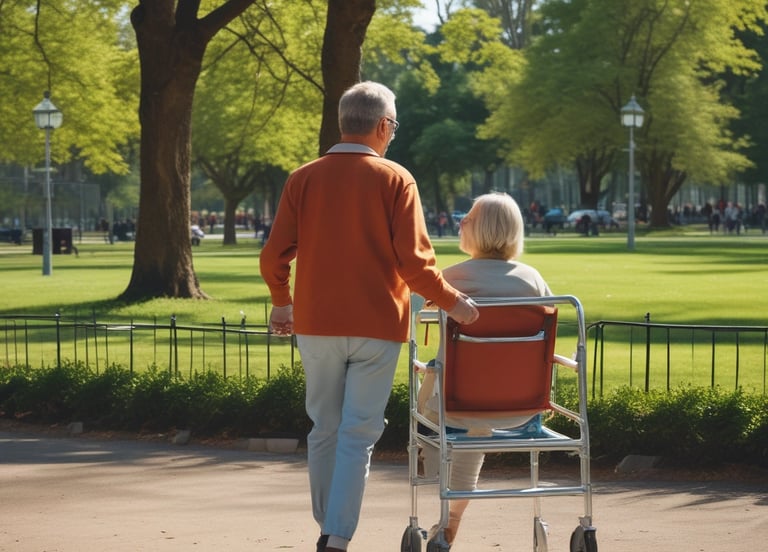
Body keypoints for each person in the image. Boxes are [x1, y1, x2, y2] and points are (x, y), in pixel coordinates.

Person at [258, 81, 479, 552]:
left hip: (316, 322)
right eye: (393, 126)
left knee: (324, 427)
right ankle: (336, 536)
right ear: (382, 126)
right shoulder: (397, 179)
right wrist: (456, 303)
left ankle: (329, 528)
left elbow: (274, 253)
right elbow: (415, 265)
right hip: (378, 323)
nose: (393, 135)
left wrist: (281, 299)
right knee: (358, 433)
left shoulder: (304, 177)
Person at [417, 192, 552, 546]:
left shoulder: (452, 278)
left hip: (456, 403)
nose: (460, 220)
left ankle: (441, 502)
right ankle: (450, 524)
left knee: (436, 379)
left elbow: (410, 309)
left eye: (469, 218)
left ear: (486, 229)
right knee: (477, 430)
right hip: (522, 406)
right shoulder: (534, 280)